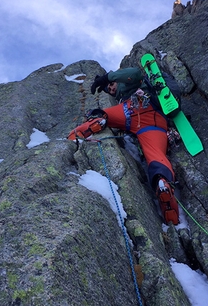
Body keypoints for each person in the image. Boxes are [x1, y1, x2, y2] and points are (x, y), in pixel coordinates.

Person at [68, 67, 180, 225]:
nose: (111, 89)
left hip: (135, 108)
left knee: (103, 114)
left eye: (112, 85)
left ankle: (88, 127)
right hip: (150, 123)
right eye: (108, 89)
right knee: (156, 155)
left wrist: (107, 77)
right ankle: (163, 184)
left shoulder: (133, 83)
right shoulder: (122, 96)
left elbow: (134, 74)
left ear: (116, 80)